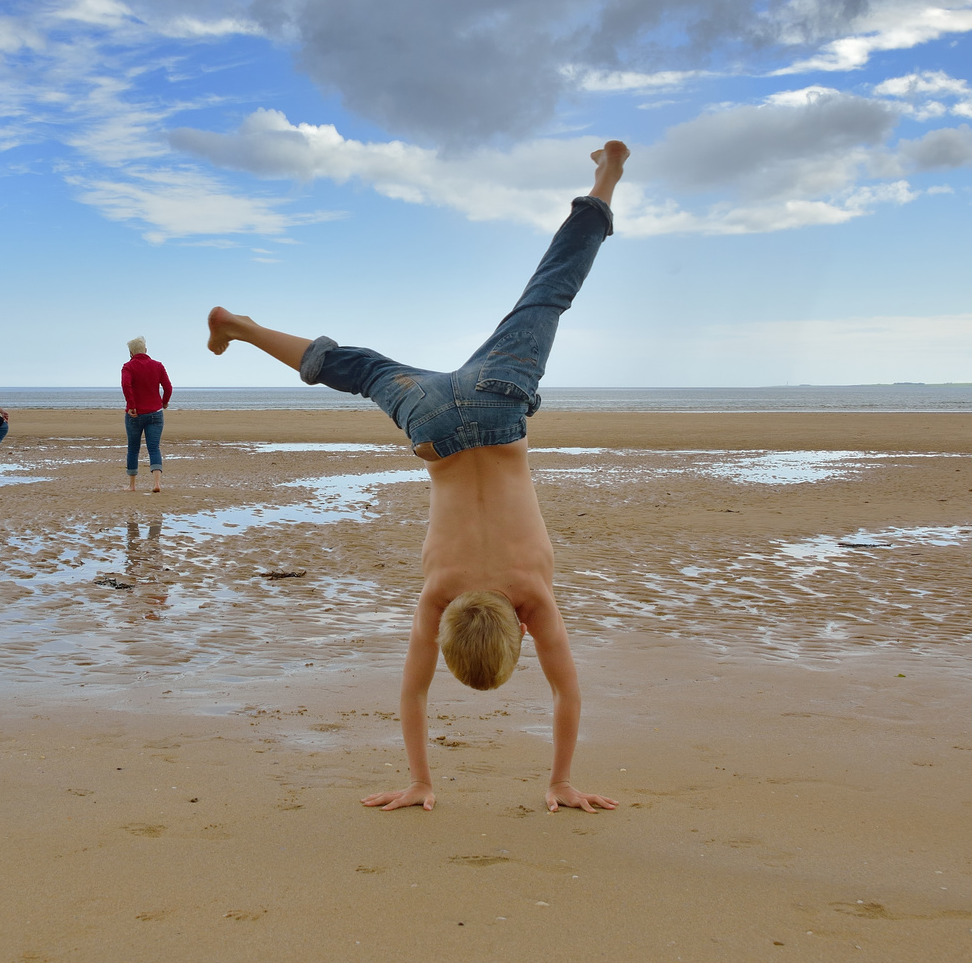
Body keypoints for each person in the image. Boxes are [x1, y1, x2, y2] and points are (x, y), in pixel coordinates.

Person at [206, 142, 630, 815]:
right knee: (360, 368)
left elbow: (566, 695)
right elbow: (411, 694)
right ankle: (240, 326)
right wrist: (419, 782)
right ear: (446, 633)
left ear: (517, 632)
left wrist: (560, 783)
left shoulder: (530, 598)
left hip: (497, 400)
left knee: (548, 292)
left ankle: (606, 176)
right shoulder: (437, 595)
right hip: (431, 424)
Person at [122, 336, 172, 493]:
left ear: (130, 353)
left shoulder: (128, 367)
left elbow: (126, 384)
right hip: (155, 413)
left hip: (134, 414)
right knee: (154, 448)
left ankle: (132, 485)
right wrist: (164, 402)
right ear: (145, 350)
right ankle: (156, 483)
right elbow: (168, 387)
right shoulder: (157, 366)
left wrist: (131, 405)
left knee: (133, 448)